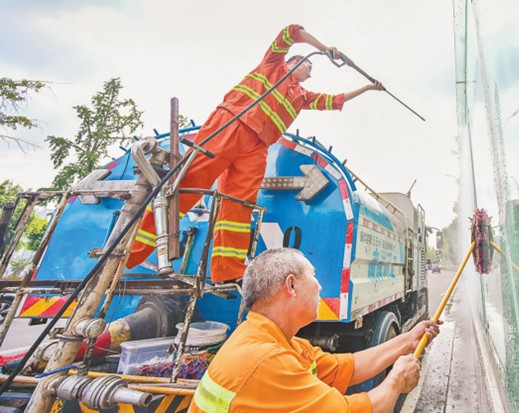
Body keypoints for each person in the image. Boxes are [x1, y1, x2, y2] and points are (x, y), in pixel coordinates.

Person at [126, 25, 384, 282]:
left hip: (257, 146)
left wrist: (368, 88)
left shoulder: (302, 96)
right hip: (231, 124)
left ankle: (229, 270)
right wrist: (325, 48)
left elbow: (333, 101)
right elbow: (292, 32)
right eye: (309, 68)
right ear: (297, 61)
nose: (310, 74)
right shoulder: (272, 65)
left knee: (239, 205)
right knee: (192, 182)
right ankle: (130, 251)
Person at [189, 248, 440, 413]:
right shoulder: (265, 360)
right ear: (292, 286)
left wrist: (408, 340)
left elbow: (347, 368)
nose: (320, 285)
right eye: (313, 275)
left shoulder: (278, 342)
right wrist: (396, 380)